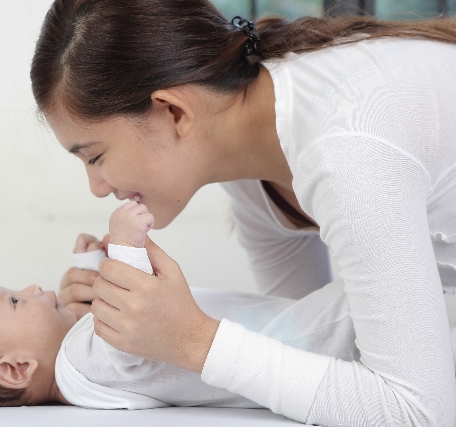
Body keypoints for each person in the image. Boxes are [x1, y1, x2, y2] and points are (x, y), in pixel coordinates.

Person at [31, 1, 456, 425]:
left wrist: (192, 339)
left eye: (95, 156)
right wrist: (121, 329)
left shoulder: (346, 148)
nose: (97, 187)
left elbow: (415, 411)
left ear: (174, 112)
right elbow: (310, 339)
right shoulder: (254, 160)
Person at [0, 202, 360, 408]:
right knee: (360, 307)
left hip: (285, 334)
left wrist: (90, 263)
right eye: (14, 300)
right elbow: (128, 336)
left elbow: (103, 321)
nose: (32, 288)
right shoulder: (82, 365)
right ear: (17, 369)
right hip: (296, 343)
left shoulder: (80, 363)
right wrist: (127, 245)